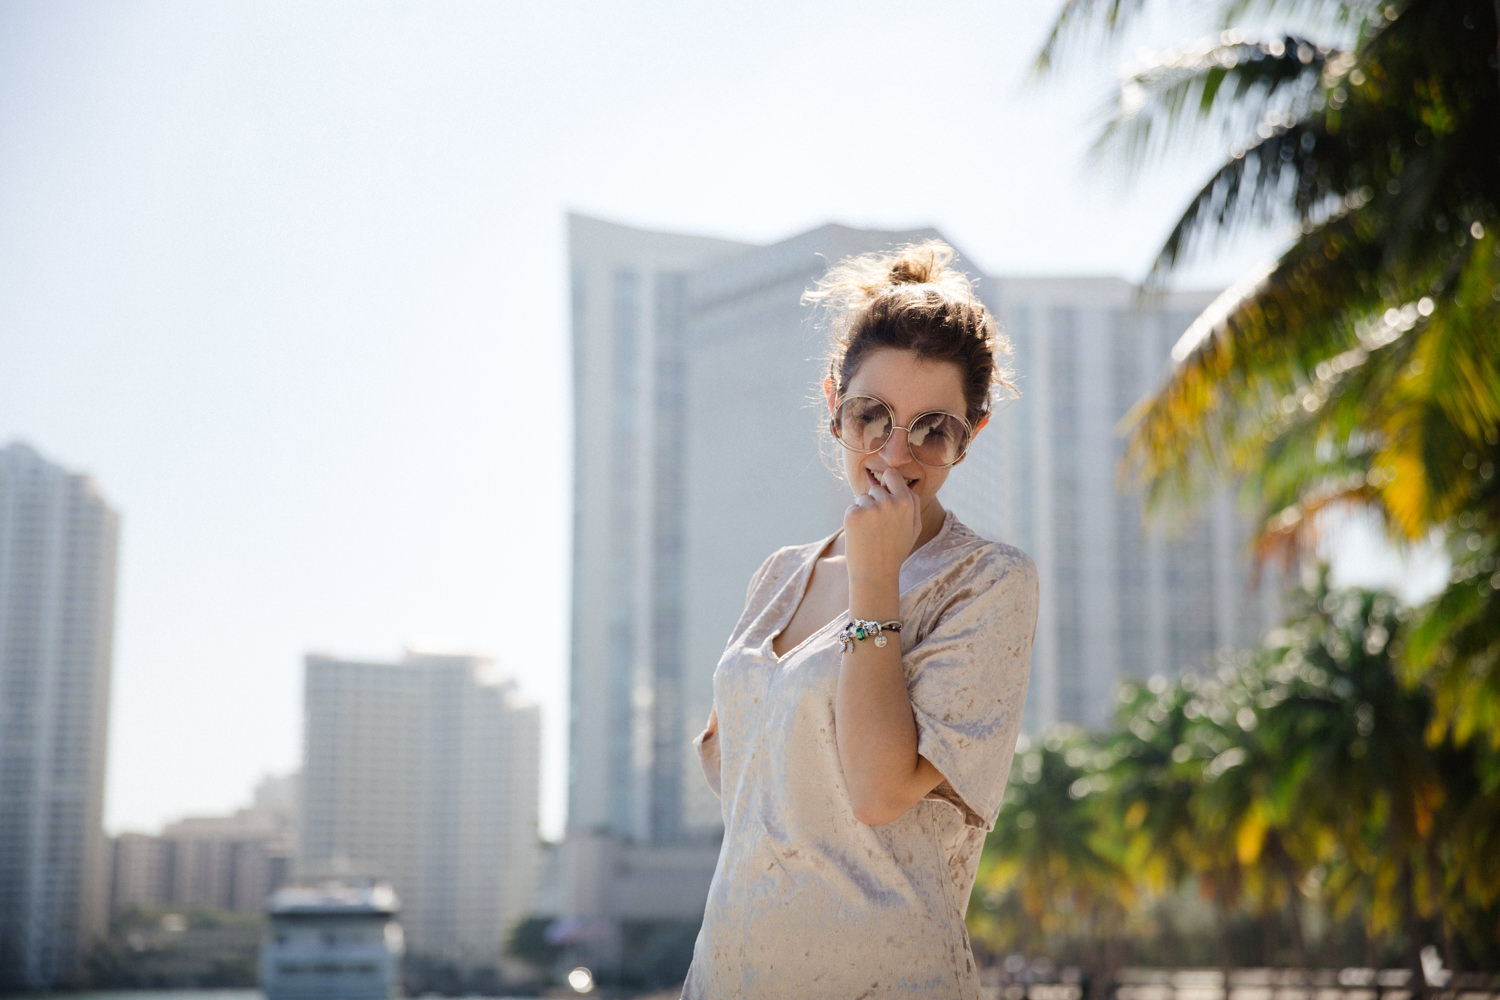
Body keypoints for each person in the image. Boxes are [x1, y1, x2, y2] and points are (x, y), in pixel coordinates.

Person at [681, 241, 1040, 999]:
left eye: (931, 428)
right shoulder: (780, 575)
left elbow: (878, 793)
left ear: (969, 437)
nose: (894, 452)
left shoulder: (987, 582)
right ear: (832, 406)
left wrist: (876, 580)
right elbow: (740, 770)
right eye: (871, 416)